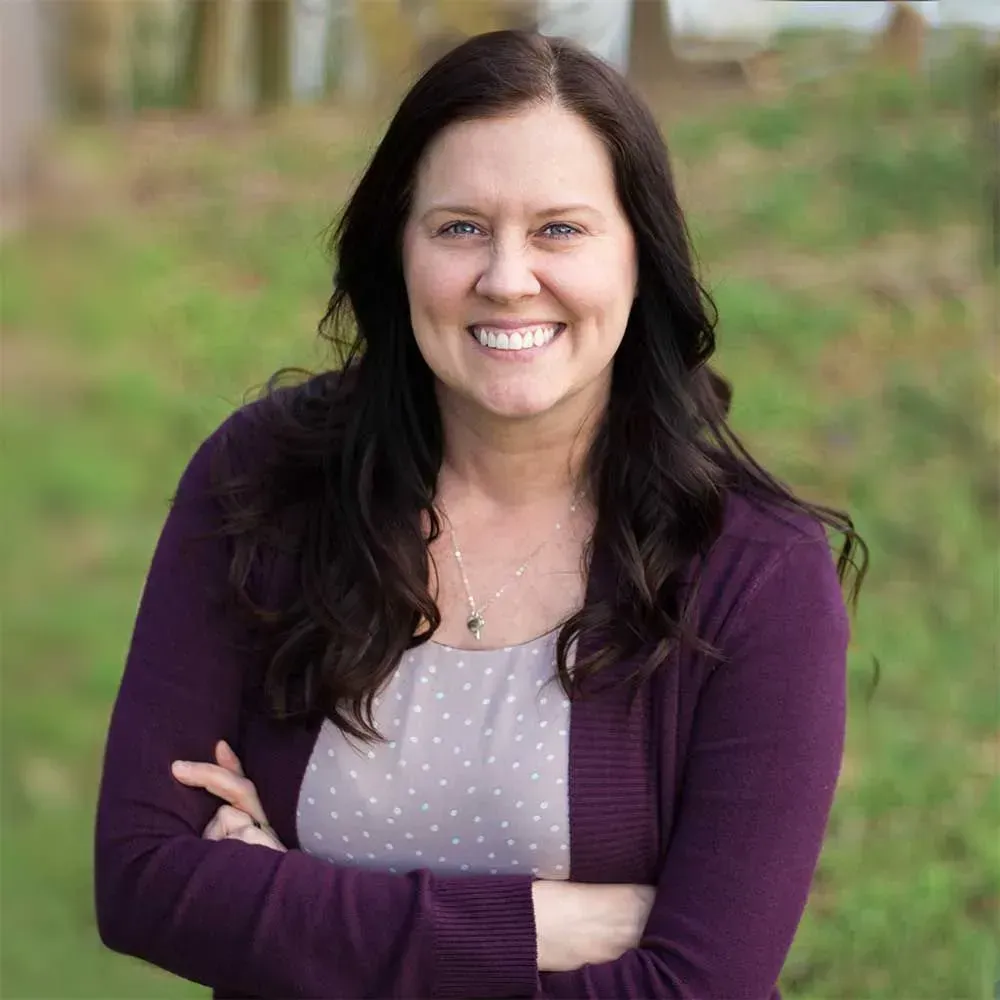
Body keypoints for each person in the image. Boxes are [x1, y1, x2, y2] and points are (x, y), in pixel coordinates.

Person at [94, 28, 867, 1000]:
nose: (506, 277)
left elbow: (694, 988)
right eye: (459, 226)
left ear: (640, 256)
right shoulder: (266, 484)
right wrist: (536, 926)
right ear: (398, 250)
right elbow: (140, 879)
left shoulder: (753, 572)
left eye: (560, 229)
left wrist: (286, 903)